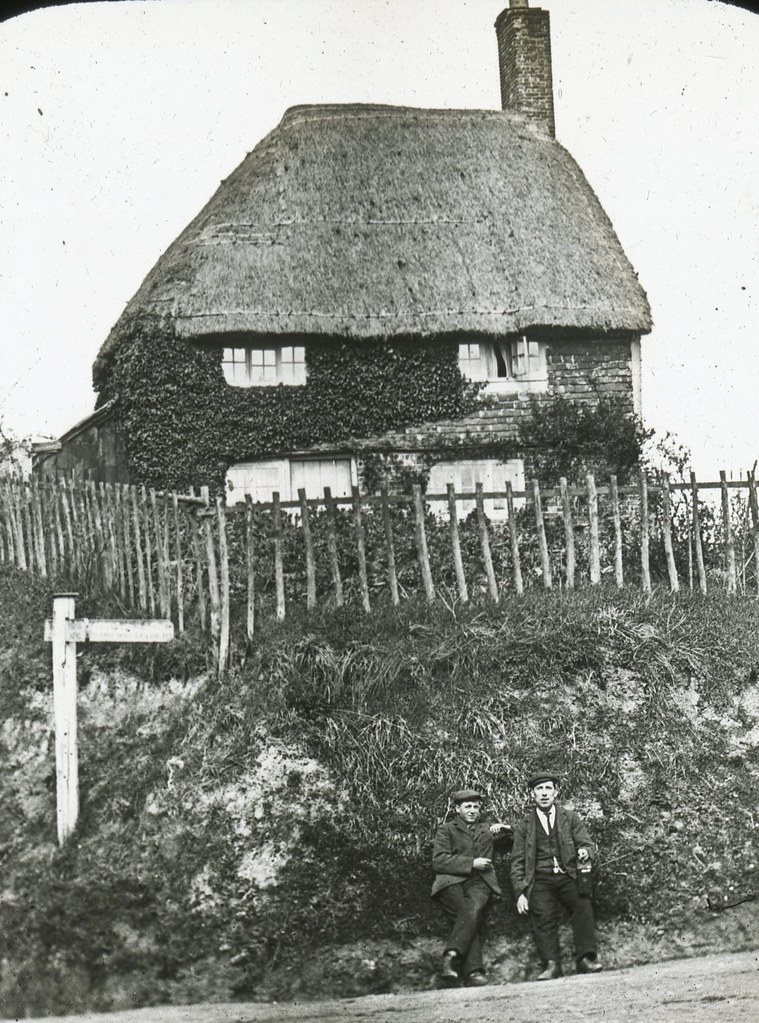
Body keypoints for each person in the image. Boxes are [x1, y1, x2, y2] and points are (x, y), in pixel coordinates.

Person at [510, 770, 604, 980]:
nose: (544, 793)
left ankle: (585, 958)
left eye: (548, 788)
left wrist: (584, 852)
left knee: (583, 904)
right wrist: (520, 892)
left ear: (556, 792)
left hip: (568, 875)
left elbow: (587, 844)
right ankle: (551, 964)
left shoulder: (569, 818)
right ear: (532, 794)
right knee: (542, 914)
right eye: (539, 789)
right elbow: (517, 861)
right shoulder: (524, 825)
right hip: (540, 878)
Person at [431, 788, 513, 986]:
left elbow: (516, 841)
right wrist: (471, 863)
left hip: (480, 881)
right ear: (457, 809)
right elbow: (439, 861)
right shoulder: (446, 829)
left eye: (476, 807)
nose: (472, 810)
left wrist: (506, 829)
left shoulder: (487, 830)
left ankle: (450, 957)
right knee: (467, 913)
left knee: (473, 908)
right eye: (467, 806)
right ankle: (474, 972)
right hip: (450, 880)